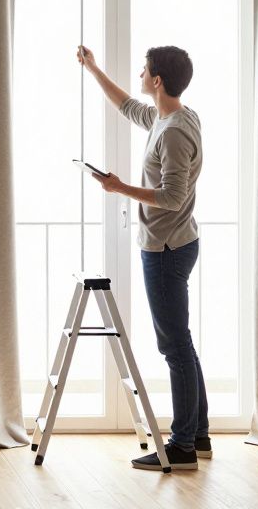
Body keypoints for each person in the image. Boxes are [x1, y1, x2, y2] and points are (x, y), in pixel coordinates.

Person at [76, 44, 209, 471]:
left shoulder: (173, 131)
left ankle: (184, 445)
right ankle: (199, 434)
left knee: (174, 346)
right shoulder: (170, 116)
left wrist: (119, 188)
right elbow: (128, 107)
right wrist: (94, 68)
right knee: (182, 343)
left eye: (144, 69)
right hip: (174, 242)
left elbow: (173, 196)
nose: (139, 74)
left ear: (157, 79)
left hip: (167, 248)